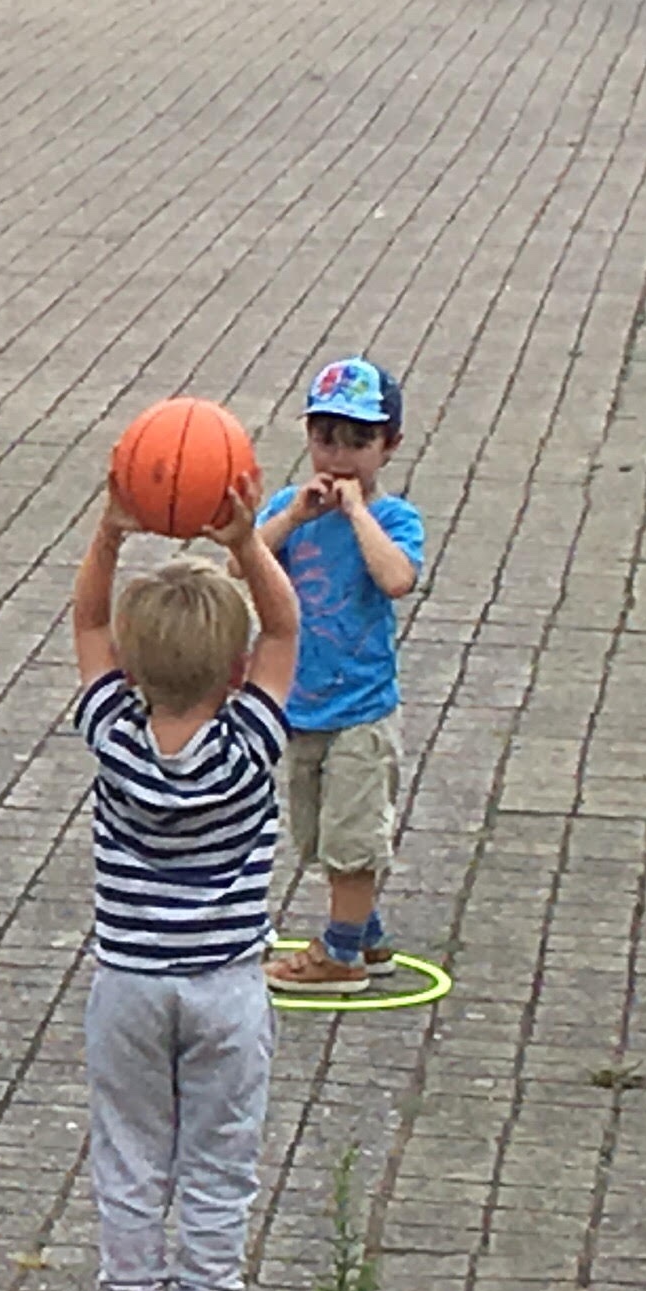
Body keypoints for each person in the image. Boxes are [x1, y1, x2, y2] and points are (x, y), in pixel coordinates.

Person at [65, 476, 297, 1291]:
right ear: (235, 672)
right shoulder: (251, 745)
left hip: (128, 985)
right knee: (219, 1156)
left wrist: (110, 532)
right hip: (226, 989)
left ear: (129, 669)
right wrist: (244, 543)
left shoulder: (113, 733)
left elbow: (87, 622)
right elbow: (285, 631)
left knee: (129, 1150)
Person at [254, 358, 425, 995]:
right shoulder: (290, 508)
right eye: (326, 439)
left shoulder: (394, 518)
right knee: (318, 833)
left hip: (362, 710)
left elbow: (397, 579)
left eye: (358, 442)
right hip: (301, 705)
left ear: (389, 446)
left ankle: (342, 955)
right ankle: (367, 931)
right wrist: (293, 519)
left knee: (353, 836)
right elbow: (244, 561)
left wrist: (357, 515)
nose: (340, 456)